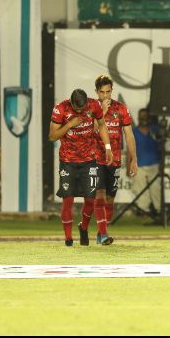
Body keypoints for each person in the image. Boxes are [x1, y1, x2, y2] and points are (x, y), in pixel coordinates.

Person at [49, 89, 112, 246]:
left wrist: (108, 147)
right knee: (68, 199)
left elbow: (102, 125)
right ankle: (68, 238)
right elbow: (52, 136)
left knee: (90, 200)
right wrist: (70, 124)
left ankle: (83, 227)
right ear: (71, 103)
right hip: (68, 161)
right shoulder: (60, 109)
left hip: (89, 160)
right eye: (76, 109)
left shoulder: (94, 105)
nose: (79, 112)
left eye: (81, 109)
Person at [83, 75, 137, 246]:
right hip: (96, 158)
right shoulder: (90, 108)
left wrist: (133, 159)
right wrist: (103, 112)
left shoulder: (121, 108)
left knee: (110, 200)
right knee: (99, 194)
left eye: (108, 92)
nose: (105, 96)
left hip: (114, 160)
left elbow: (129, 135)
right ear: (96, 91)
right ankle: (104, 234)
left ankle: (100, 233)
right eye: (102, 92)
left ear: (112, 90)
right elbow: (89, 132)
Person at [130, 109, 161, 217]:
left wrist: (161, 165)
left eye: (145, 116)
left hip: (154, 164)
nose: (143, 118)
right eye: (141, 116)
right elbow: (130, 150)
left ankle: (158, 210)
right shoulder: (134, 132)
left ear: (149, 117)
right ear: (138, 118)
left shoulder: (155, 131)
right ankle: (143, 210)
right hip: (139, 165)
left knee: (156, 188)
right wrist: (129, 166)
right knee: (140, 188)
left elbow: (161, 148)